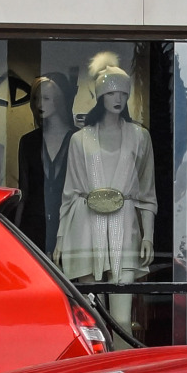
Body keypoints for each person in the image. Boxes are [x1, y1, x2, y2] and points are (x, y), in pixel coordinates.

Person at [56, 55, 156, 335]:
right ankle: (96, 370)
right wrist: (62, 239)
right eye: (111, 92)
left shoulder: (140, 137)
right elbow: (70, 192)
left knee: (122, 320)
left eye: (123, 93)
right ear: (100, 96)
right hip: (84, 228)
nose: (118, 98)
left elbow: (147, 192)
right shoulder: (80, 139)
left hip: (126, 227)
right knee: (93, 321)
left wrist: (148, 235)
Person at [15, 74, 74, 249]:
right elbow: (23, 192)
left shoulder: (78, 139)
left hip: (67, 224)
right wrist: (15, 233)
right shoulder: (28, 141)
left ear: (59, 100)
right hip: (33, 226)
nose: (40, 104)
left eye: (46, 98)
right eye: (36, 98)